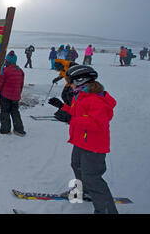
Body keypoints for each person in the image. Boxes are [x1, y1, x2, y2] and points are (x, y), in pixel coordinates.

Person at [48, 65, 118, 214]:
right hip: (82, 141)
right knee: (76, 165)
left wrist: (71, 119)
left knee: (92, 177)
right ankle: (83, 192)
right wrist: (63, 107)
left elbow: (97, 123)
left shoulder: (97, 100)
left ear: (82, 81)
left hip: (93, 146)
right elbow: (78, 113)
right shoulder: (82, 95)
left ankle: (106, 211)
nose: (70, 84)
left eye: (72, 81)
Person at [0, 51, 26, 136]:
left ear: (8, 61)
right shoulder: (20, 71)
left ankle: (5, 129)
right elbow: (21, 85)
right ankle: (19, 130)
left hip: (5, 96)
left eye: (6, 60)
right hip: (16, 96)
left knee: (5, 112)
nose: (5, 61)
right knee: (15, 112)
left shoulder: (4, 71)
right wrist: (18, 94)